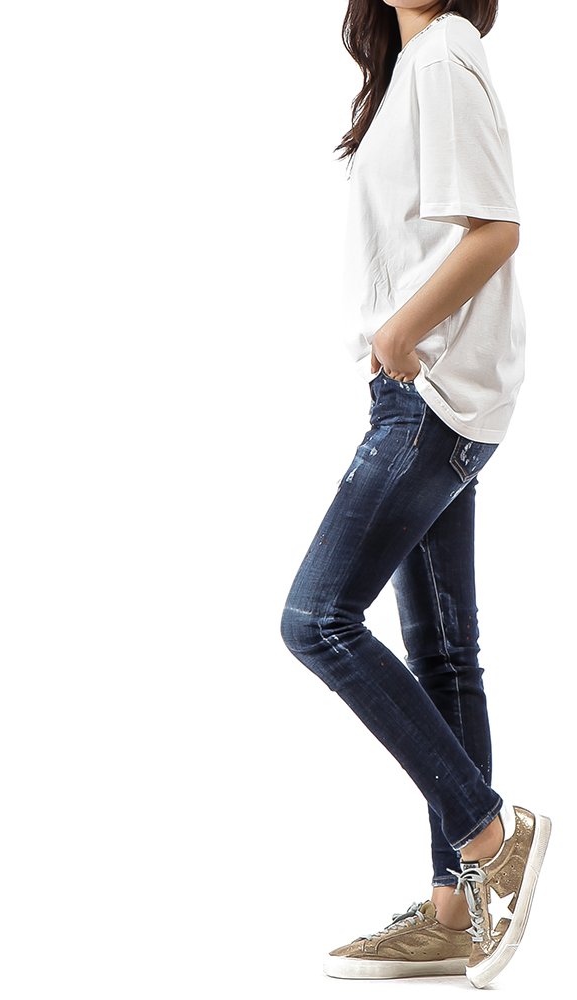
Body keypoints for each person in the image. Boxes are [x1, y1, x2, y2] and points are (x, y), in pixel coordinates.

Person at [279, 1, 550, 988]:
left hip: (428, 395)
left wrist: (397, 337)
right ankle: (454, 912)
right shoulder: (410, 68)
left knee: (317, 619)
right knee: (443, 654)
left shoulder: (445, 52)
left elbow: (496, 230)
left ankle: (489, 834)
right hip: (425, 391)